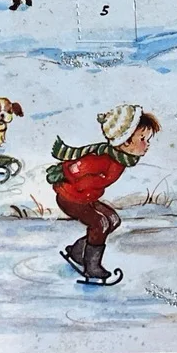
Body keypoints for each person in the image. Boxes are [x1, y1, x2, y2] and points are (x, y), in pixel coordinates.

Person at [48, 105, 159, 284]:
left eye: (147, 139)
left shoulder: (120, 158)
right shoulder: (104, 158)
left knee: (113, 220)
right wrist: (83, 184)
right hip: (70, 198)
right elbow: (75, 168)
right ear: (125, 141)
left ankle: (77, 251)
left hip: (86, 199)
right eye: (142, 139)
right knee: (100, 223)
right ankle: (92, 266)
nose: (147, 144)